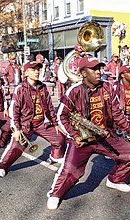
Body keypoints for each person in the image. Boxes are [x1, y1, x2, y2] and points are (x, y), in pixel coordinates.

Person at [47, 56, 130, 210]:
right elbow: (61, 116)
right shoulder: (74, 90)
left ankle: (115, 180)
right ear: (84, 73)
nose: (99, 72)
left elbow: (117, 113)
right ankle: (55, 194)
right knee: (71, 171)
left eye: (99, 68)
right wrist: (74, 135)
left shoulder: (108, 87)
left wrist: (128, 129)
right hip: (82, 139)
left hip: (105, 136)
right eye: (94, 69)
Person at [0, 61, 66, 177]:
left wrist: (55, 123)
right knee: (15, 148)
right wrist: (17, 129)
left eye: (38, 69)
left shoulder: (42, 87)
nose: (37, 72)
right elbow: (14, 111)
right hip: (25, 125)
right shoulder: (20, 89)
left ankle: (56, 156)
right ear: (26, 72)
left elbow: (50, 106)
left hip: (41, 123)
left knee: (59, 138)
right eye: (33, 70)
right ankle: (1, 166)